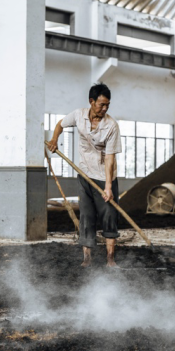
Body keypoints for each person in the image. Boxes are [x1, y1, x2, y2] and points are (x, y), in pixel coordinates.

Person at [46, 83, 122, 268]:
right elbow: (59, 124)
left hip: (105, 178)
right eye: (101, 104)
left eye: (107, 105)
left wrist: (108, 187)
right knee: (87, 217)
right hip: (84, 175)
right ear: (91, 101)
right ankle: (87, 259)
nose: (104, 109)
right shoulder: (78, 115)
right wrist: (55, 139)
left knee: (109, 216)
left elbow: (110, 158)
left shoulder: (111, 126)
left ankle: (110, 260)